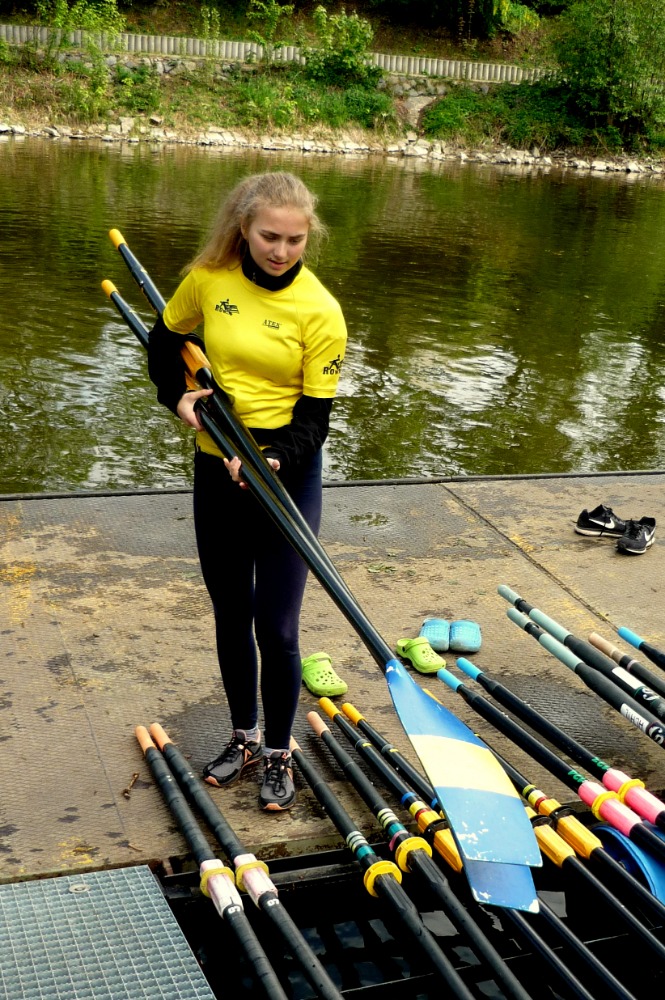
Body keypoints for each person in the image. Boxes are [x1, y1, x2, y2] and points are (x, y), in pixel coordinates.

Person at [147, 172, 347, 811]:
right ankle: (244, 737)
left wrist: (272, 458)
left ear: (308, 236)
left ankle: (281, 751)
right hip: (217, 467)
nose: (282, 251)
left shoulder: (320, 310)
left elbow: (315, 419)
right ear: (244, 228)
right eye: (269, 237)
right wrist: (177, 397)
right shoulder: (208, 279)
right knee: (231, 614)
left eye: (295, 240)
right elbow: (165, 340)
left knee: (277, 626)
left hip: (286, 474)